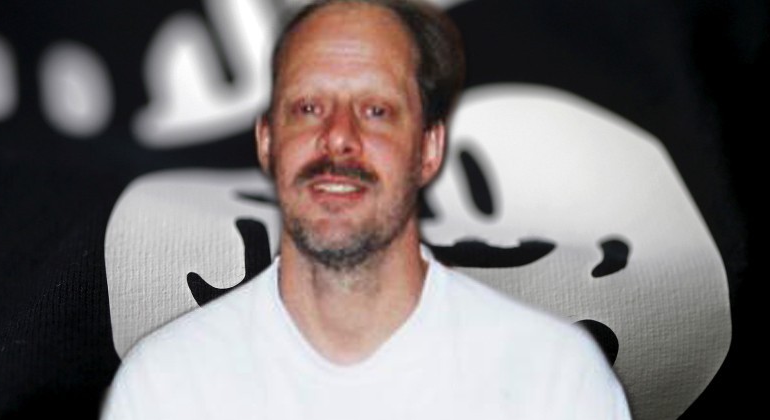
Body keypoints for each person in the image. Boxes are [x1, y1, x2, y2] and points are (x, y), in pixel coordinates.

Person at [102, 0, 631, 418]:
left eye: (376, 110)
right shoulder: (165, 387)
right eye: (308, 107)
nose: (338, 137)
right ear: (266, 141)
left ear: (429, 149)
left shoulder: (556, 380)